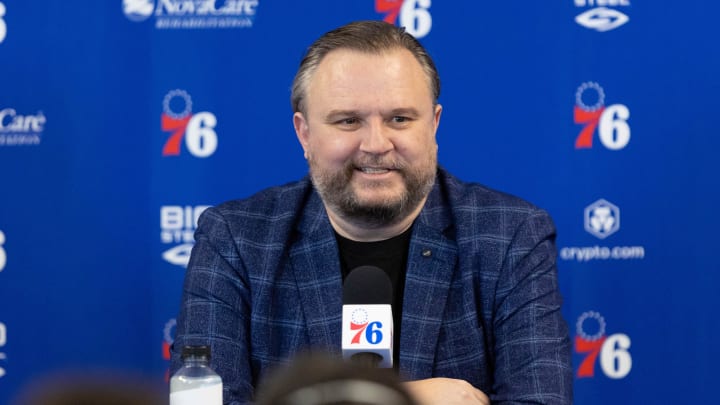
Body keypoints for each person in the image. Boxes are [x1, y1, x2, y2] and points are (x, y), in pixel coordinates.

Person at [171, 20, 573, 405]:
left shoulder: (511, 235)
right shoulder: (235, 239)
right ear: (304, 133)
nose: (376, 144)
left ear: (433, 126)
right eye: (349, 121)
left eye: (399, 119)